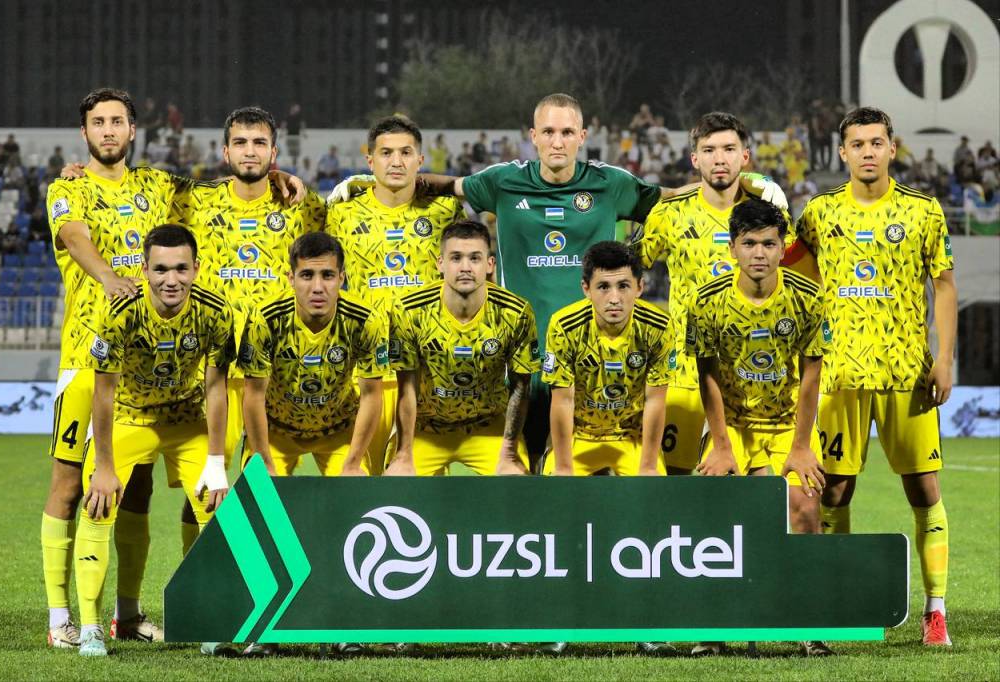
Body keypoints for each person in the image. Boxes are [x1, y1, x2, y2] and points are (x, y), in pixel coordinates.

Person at [330, 94, 786, 472]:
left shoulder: (610, 184)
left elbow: (674, 196)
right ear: (533, 136)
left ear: (582, 137)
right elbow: (446, 184)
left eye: (567, 132)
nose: (557, 141)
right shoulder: (503, 181)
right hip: (519, 361)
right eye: (548, 131)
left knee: (589, 472)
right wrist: (368, 182)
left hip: (591, 358)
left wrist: (750, 181)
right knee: (523, 474)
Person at [796, 107, 957, 646]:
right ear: (842, 152)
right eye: (857, 143)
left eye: (876, 142)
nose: (867, 151)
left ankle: (935, 611)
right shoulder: (819, 213)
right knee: (834, 492)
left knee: (924, 489)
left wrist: (945, 357)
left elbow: (945, 285)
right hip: (839, 375)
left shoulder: (923, 211)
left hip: (907, 374)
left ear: (893, 147)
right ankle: (837, 601)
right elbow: (791, 270)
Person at [43, 88, 195, 649]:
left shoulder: (159, 186)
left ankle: (126, 615)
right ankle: (59, 615)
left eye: (117, 121)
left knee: (137, 488)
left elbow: (223, 197)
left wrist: (279, 178)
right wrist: (108, 277)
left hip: (144, 367)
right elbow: (73, 235)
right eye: (98, 122)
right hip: (85, 358)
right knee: (68, 485)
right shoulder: (68, 187)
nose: (108, 130)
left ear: (133, 130)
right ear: (84, 133)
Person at [74, 224, 234, 656]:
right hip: (129, 418)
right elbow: (103, 392)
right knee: (97, 505)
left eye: (181, 268)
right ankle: (90, 627)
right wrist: (104, 467)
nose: (171, 279)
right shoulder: (120, 311)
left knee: (219, 509)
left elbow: (216, 388)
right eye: (161, 269)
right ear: (144, 270)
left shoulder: (216, 311)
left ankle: (212, 623)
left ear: (196, 268)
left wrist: (216, 463)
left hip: (185, 419)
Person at [173, 106, 326, 547]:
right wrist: (79, 173)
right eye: (240, 143)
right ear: (225, 152)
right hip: (213, 372)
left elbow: (353, 208)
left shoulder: (303, 206)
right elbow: (133, 185)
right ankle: (197, 577)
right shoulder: (195, 201)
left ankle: (264, 576)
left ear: (274, 153)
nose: (250, 151)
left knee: (261, 487)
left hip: (276, 374)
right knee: (205, 487)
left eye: (260, 143)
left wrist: (290, 180)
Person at [687, 198, 832, 657]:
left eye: (769, 244)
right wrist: (721, 445)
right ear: (732, 247)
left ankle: (809, 627)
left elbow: (811, 376)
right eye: (749, 243)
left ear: (783, 247)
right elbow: (707, 375)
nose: (759, 254)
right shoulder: (707, 302)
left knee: (804, 506)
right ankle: (713, 631)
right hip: (730, 423)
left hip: (788, 423)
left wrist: (802, 446)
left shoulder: (808, 298)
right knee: (718, 510)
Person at [235, 231, 387, 658]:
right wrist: (263, 457)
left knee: (356, 511)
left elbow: (372, 394)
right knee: (257, 505)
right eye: (307, 276)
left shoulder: (365, 321)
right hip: (277, 432)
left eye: (327, 276)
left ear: (342, 277)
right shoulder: (265, 320)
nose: (317, 287)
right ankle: (263, 628)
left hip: (337, 430)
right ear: (291, 278)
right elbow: (253, 395)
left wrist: (353, 461)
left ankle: (345, 625)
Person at [633, 112, 799, 477]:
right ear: (695, 159)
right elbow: (627, 270)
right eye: (709, 150)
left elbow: (794, 274)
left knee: (748, 486)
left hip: (749, 375)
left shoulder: (767, 213)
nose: (719, 158)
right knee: (672, 483)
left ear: (745, 156)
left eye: (728, 149)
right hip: (684, 371)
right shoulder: (671, 213)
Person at [541, 240, 673, 657]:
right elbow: (561, 401)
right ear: (586, 288)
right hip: (579, 437)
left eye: (623, 286)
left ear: (640, 286)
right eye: (603, 287)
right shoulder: (564, 325)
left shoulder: (658, 325)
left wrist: (648, 465)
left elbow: (655, 400)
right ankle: (558, 621)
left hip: (630, 436)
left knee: (652, 513)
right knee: (555, 515)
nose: (613, 298)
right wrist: (564, 467)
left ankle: (647, 622)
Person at [325, 115, 466, 474]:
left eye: (406, 152)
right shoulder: (340, 212)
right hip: (362, 376)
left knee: (416, 491)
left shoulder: (445, 211)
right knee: (358, 486)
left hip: (425, 376)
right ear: (370, 160)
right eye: (386, 153)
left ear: (420, 160)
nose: (396, 161)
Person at [387, 220, 538, 477]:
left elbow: (521, 387)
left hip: (488, 426)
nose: (465, 267)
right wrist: (403, 454)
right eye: (456, 258)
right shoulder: (409, 311)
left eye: (475, 258)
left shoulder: (516, 312)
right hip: (427, 428)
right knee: (396, 483)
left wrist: (509, 452)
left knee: (515, 484)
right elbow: (406, 389)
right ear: (440, 264)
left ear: (490, 264)